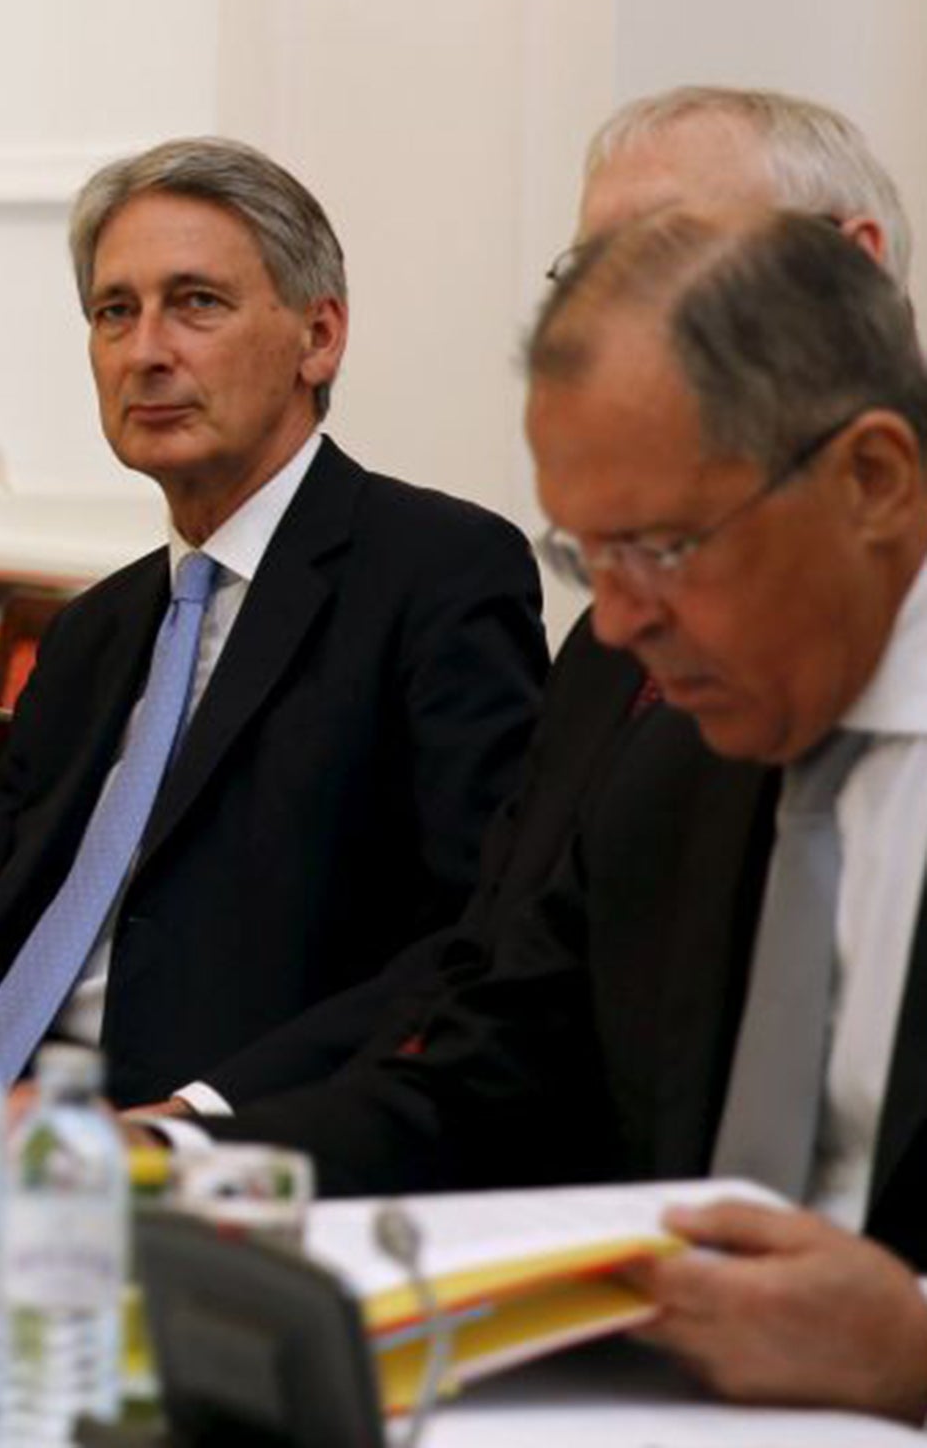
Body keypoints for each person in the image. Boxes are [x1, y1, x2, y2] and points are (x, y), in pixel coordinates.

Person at [223, 209, 927, 1422]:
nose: (612, 624)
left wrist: (911, 1349)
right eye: (583, 556)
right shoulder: (671, 771)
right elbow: (482, 1090)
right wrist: (174, 1174)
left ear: (871, 479)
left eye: (657, 549)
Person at [187, 87, 916, 1110]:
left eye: (662, 260)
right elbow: (500, 1037)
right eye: (588, 278)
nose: (618, 615)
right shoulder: (637, 701)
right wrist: (179, 1162)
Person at [0, 137, 547, 1107]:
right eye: (112, 313)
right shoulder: (92, 635)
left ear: (318, 336)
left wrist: (188, 1119)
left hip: (230, 1149)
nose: (145, 352)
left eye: (195, 304)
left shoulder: (434, 575)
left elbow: (467, 944)